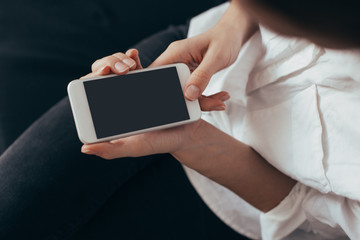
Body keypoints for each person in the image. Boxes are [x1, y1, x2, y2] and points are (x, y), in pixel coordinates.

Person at [0, 0, 359, 239]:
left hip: (229, 196)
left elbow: (308, 215)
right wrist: (234, 24)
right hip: (188, 57)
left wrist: (188, 140)